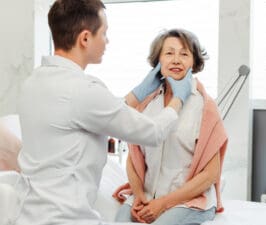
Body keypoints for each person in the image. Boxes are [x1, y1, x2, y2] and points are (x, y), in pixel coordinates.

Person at [14, 1, 193, 225]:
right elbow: (153, 133)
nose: (107, 41)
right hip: (66, 219)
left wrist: (138, 93)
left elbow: (96, 114)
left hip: (28, 216)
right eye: (104, 33)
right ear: (85, 38)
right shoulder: (83, 90)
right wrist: (178, 99)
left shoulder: (33, 83)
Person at [113, 29, 228, 225]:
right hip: (147, 195)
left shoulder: (205, 107)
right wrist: (140, 195)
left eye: (184, 54)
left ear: (194, 61)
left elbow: (211, 173)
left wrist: (163, 203)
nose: (176, 60)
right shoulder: (145, 103)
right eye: (169, 53)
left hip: (187, 201)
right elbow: (133, 158)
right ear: (158, 61)